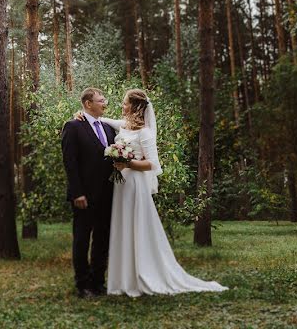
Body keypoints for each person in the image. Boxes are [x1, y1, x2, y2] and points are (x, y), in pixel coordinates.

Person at [87, 88, 228, 297]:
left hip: (134, 185)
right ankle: (123, 278)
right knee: (122, 227)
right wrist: (82, 115)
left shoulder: (145, 133)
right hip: (121, 186)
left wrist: (128, 163)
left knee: (136, 227)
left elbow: (153, 164)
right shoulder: (124, 126)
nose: (122, 106)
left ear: (134, 107)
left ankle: (142, 274)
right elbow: (103, 121)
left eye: (125, 103)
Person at [61, 87, 116, 298]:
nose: (105, 103)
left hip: (108, 195)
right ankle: (82, 284)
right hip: (84, 196)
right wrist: (77, 193)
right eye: (101, 100)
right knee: (82, 239)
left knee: (102, 239)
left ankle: (97, 282)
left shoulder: (109, 129)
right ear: (88, 103)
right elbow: (70, 162)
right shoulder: (73, 126)